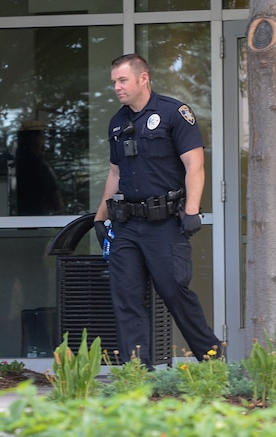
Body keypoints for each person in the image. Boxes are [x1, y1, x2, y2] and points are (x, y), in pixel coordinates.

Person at [93, 54, 221, 368]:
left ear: (143, 78)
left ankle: (213, 359)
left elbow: (195, 165)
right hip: (127, 225)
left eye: (122, 80)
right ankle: (137, 372)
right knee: (126, 298)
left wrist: (192, 209)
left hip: (164, 223)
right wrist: (100, 217)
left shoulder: (174, 112)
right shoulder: (117, 123)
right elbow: (114, 174)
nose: (117, 88)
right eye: (114, 82)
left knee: (173, 290)